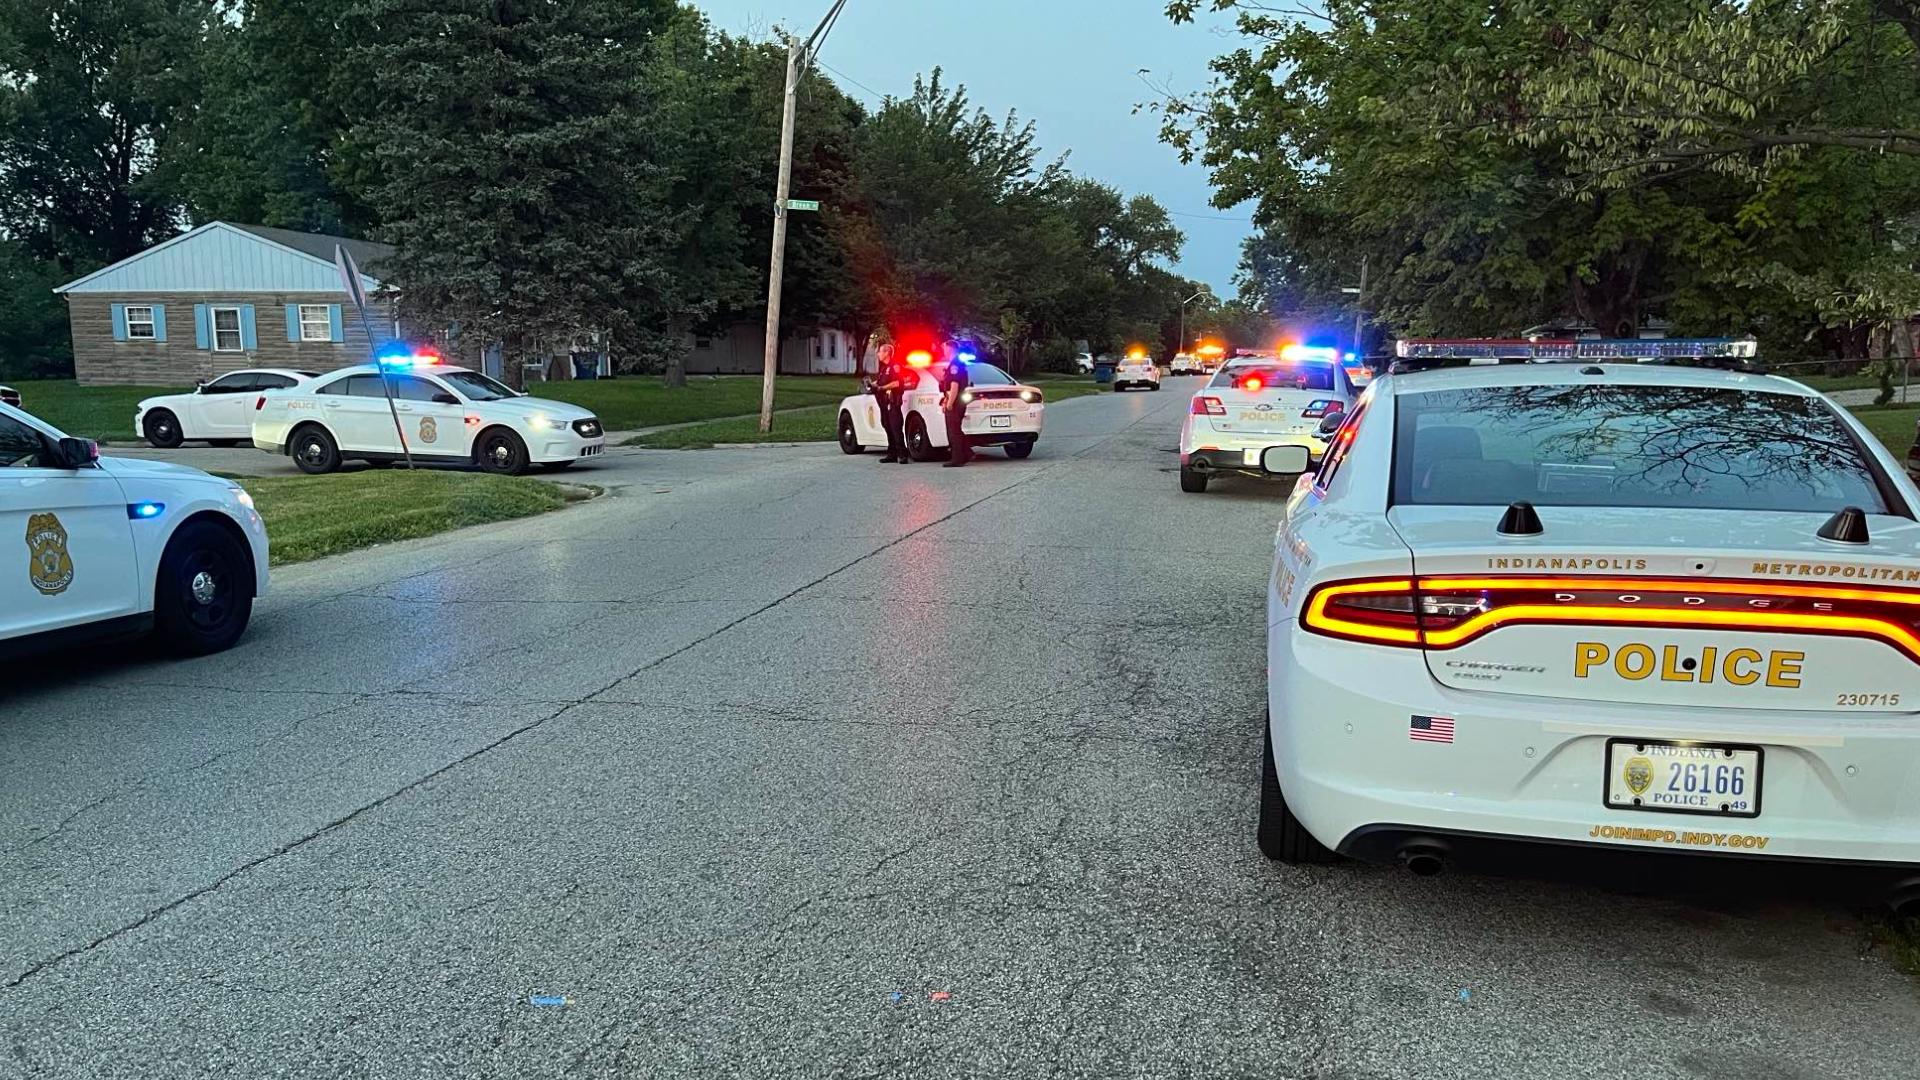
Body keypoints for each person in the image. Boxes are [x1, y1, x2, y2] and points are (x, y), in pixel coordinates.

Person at [873, 344, 909, 464]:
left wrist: (882, 387)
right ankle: (892, 453)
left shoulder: (895, 366)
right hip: (884, 403)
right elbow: (880, 382)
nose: (878, 354)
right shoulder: (884, 368)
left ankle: (902, 455)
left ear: (887, 353)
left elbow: (897, 383)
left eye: (880, 352)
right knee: (887, 426)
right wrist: (872, 385)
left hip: (893, 402)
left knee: (895, 428)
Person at [938, 350, 973, 467]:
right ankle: (967, 453)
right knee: (956, 429)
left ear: (950, 349)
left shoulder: (955, 365)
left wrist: (950, 402)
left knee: (953, 431)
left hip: (956, 402)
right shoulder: (957, 364)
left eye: (945, 348)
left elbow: (954, 386)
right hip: (958, 400)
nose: (944, 352)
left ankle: (957, 458)